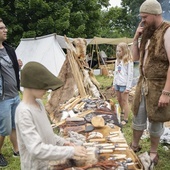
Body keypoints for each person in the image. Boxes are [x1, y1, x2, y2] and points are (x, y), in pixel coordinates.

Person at [15, 61, 87, 170]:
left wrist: (63, 143)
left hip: (48, 164)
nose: (47, 90)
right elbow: (36, 149)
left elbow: (47, 134)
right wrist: (71, 151)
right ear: (33, 84)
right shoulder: (23, 112)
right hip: (35, 166)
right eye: (44, 86)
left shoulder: (38, 104)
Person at [130, 0, 170, 166]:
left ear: (155, 14)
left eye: (145, 16)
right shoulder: (147, 31)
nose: (143, 20)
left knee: (156, 120)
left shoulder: (167, 32)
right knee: (138, 116)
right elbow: (135, 58)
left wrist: (166, 92)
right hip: (143, 83)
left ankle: (153, 151)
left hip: (159, 86)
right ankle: (134, 145)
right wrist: (136, 37)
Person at [0, 18, 21, 167]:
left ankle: (16, 150)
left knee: (15, 125)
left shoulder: (9, 49)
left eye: (5, 27)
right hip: (3, 98)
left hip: (14, 95)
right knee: (3, 129)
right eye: (1, 28)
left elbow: (12, 70)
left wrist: (18, 65)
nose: (5, 30)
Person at [112, 42, 133, 125]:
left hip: (124, 84)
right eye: (117, 51)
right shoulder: (116, 61)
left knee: (125, 101)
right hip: (117, 83)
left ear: (124, 51)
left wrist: (128, 87)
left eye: (119, 51)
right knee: (119, 99)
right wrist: (114, 84)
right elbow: (115, 73)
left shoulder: (128, 61)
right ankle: (122, 112)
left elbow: (130, 75)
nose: (118, 52)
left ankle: (126, 118)